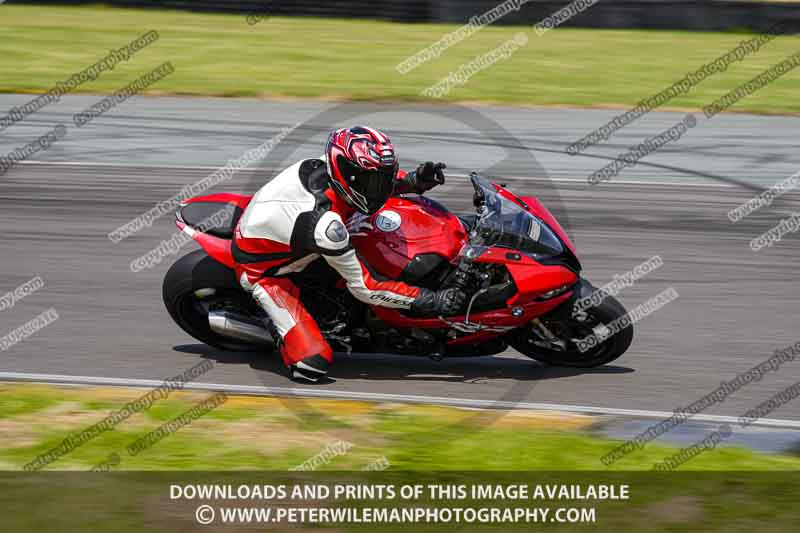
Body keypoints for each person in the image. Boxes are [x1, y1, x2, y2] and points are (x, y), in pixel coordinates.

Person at [233, 126, 466, 381]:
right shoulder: (327, 227)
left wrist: (412, 181)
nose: (378, 188)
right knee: (312, 365)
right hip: (269, 271)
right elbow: (365, 287)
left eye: (382, 179)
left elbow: (370, 177)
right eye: (371, 182)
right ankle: (274, 328)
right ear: (346, 173)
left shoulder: (337, 170)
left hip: (294, 228)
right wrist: (431, 300)